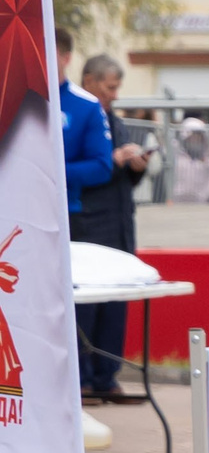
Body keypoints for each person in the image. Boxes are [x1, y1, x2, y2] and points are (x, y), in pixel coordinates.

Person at [64, 44, 144, 402]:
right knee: (87, 305)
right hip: (88, 222)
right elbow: (76, 170)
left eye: (116, 88)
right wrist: (109, 159)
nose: (113, 95)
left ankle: (106, 377)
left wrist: (136, 166)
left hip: (119, 223)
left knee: (117, 302)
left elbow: (120, 175)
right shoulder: (78, 116)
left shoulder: (115, 121)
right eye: (108, 87)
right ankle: (80, 377)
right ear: (89, 81)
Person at [170, 119, 209, 203]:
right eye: (192, 137)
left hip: (199, 204)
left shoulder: (208, 163)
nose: (195, 140)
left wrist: (202, 197)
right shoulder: (175, 159)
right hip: (177, 202)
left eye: (198, 137)